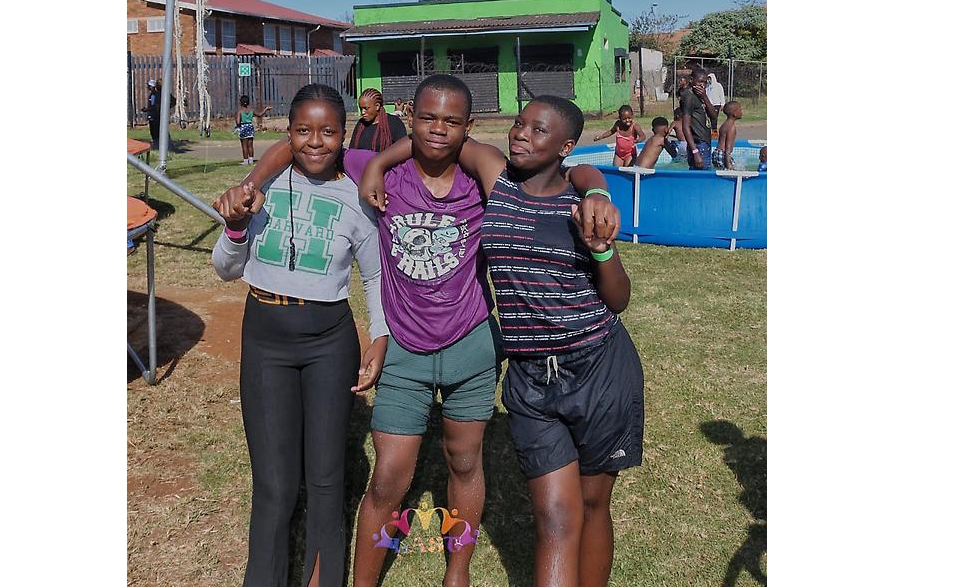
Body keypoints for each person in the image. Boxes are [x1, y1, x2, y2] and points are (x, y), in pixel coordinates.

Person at [242, 75, 619, 587]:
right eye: (427, 118)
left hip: (471, 345)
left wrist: (596, 189)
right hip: (404, 349)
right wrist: (254, 184)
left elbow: (571, 172)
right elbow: (297, 144)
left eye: (451, 121)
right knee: (388, 478)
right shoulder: (370, 169)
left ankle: (456, 570)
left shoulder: (487, 179)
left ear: (469, 126)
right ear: (409, 117)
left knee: (464, 462)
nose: (438, 129)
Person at [367, 96, 640, 587]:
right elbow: (441, 137)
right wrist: (379, 163)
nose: (520, 134)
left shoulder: (580, 205)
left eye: (538, 130)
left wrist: (601, 240)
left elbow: (618, 300)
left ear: (566, 146)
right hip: (530, 376)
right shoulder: (498, 180)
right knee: (554, 515)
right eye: (519, 124)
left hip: (598, 368)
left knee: (593, 503)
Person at [210, 84, 388, 587]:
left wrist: (379, 336)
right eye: (303, 131)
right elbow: (225, 268)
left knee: (326, 480)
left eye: (328, 131)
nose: (315, 141)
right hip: (265, 340)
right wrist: (236, 228)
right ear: (287, 135)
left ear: (344, 135)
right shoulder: (258, 191)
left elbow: (375, 275)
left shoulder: (356, 199)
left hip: (329, 342)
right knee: (274, 484)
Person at [677, 63, 719, 170]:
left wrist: (705, 97)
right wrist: (695, 152)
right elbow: (685, 127)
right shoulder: (689, 97)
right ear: (691, 80)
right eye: (700, 81)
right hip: (698, 145)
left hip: (704, 142)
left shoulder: (700, 95)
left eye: (704, 82)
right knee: (701, 176)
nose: (702, 85)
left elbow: (714, 116)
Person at [349, 87, 407, 152]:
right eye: (361, 108)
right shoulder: (361, 124)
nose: (362, 112)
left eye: (366, 108)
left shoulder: (394, 123)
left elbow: (403, 150)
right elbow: (352, 150)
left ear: (377, 106)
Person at [712, 100, 743, 170]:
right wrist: (728, 164)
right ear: (734, 114)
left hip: (717, 153)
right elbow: (728, 147)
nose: (741, 112)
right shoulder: (731, 127)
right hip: (723, 154)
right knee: (731, 171)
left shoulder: (724, 125)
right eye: (740, 110)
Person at [236, 95, 257, 165]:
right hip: (250, 127)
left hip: (243, 127)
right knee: (250, 145)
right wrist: (266, 109)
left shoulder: (240, 111)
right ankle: (251, 160)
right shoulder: (251, 110)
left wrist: (237, 126)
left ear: (241, 102)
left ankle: (245, 161)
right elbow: (260, 114)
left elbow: (238, 122)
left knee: (244, 146)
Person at [145, 79, 161, 147]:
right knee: (153, 130)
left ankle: (156, 143)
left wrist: (147, 109)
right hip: (153, 115)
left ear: (152, 86)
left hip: (154, 116)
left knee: (154, 130)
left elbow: (154, 106)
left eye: (149, 86)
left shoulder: (153, 95)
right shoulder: (153, 94)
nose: (148, 87)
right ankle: (156, 142)